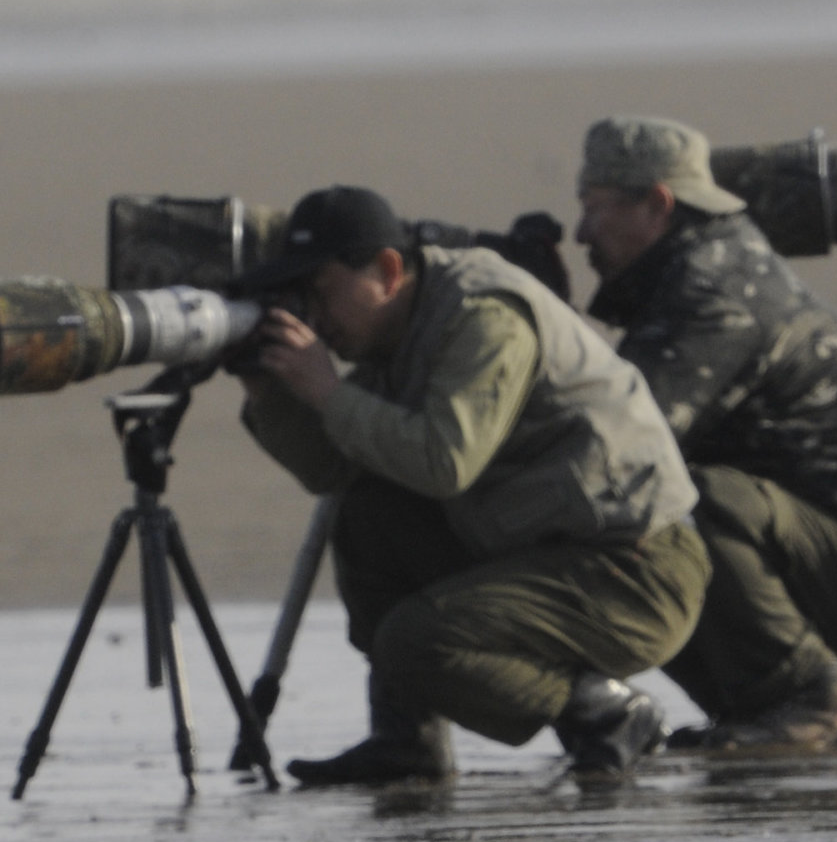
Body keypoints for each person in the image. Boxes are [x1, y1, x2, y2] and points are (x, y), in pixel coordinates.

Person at [234, 185, 707, 784]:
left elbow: (444, 462)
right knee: (369, 512)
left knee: (414, 642)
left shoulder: (483, 313)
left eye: (322, 292)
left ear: (386, 270)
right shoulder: (394, 328)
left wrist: (328, 390)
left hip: (637, 570)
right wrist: (268, 389)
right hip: (547, 546)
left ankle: (605, 711)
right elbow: (331, 468)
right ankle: (406, 741)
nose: (316, 317)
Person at [576, 116, 837, 751]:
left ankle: (814, 698)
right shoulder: (695, 272)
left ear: (658, 205)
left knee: (677, 502)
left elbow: (623, 444)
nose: (582, 231)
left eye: (595, 208)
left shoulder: (716, 288)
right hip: (833, 548)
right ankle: (770, 707)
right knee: (655, 511)